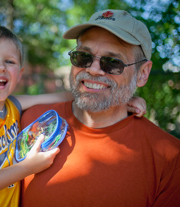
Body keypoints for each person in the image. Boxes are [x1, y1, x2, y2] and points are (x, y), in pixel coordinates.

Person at [0, 25, 146, 206]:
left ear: (20, 71)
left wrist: (120, 100)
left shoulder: (12, 106)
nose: (0, 67)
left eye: (10, 61)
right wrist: (25, 168)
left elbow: (65, 96)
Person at [20, 9, 180, 207]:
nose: (93, 69)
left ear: (143, 73)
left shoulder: (170, 158)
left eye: (112, 62)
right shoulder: (31, 122)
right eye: (83, 56)